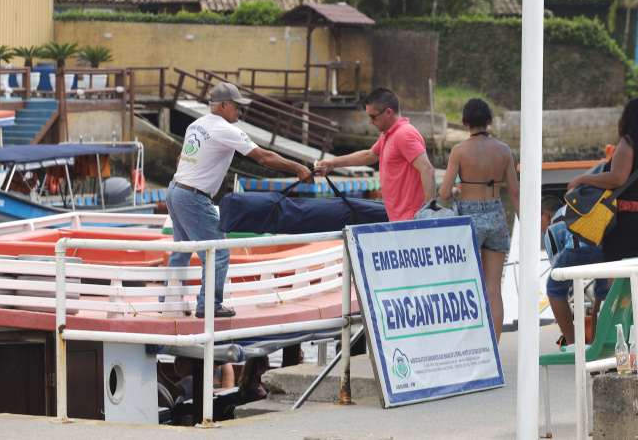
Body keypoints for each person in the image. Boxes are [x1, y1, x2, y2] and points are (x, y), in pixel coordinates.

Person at [166, 82, 314, 318]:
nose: (240, 112)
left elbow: (181, 158)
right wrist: (298, 168)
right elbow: (263, 157)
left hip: (175, 190)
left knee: (182, 250)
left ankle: (168, 301)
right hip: (192, 196)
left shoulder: (196, 124)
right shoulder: (226, 130)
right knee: (219, 250)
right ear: (223, 105)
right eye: (237, 107)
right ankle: (209, 306)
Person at [437, 98, 520, 340]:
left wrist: (455, 191)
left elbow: (443, 193)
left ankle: (469, 346)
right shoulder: (504, 150)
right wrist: (525, 223)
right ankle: (493, 347)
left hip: (468, 218)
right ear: (490, 120)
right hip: (496, 214)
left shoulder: (459, 151)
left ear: (463, 122)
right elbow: (514, 191)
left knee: (465, 285)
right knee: (493, 288)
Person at [567, 97, 638, 268]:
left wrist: (581, 179)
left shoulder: (628, 143)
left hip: (627, 222)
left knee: (619, 285)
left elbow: (617, 178)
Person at [316, 87, 436, 221]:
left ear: (388, 112)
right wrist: (333, 163)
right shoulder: (388, 134)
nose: (369, 121)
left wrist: (428, 215)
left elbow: (428, 170)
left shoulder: (404, 134)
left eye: (372, 116)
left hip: (411, 219)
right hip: (399, 219)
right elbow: (369, 155)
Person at [541, 196, 609, 348]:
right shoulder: (577, 207)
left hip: (578, 246)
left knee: (554, 289)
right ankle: (595, 343)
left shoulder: (553, 224)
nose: (540, 229)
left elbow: (558, 272)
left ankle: (573, 344)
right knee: (602, 292)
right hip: (605, 246)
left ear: (546, 215)